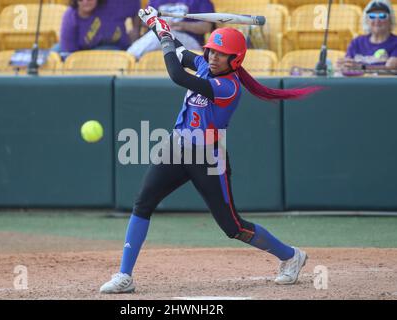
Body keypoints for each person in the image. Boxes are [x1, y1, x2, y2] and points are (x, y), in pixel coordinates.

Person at [100, 6, 322, 294]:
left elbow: (178, 75)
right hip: (176, 147)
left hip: (207, 158)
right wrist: (156, 24)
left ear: (235, 59)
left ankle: (291, 256)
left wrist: (164, 36)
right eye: (210, 52)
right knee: (143, 203)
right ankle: (124, 275)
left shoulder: (228, 86)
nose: (212, 57)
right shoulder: (207, 65)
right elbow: (179, 53)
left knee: (233, 227)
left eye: (219, 54)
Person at [127, 0, 214, 60]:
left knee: (160, 34)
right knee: (160, 33)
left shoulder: (200, 1)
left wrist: (181, 25)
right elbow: (144, 20)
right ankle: (128, 59)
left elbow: (207, 26)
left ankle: (129, 57)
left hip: (189, 40)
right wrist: (158, 22)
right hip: (161, 39)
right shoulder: (155, 1)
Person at [53, 0, 141, 58]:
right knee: (55, 53)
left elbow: (136, 8)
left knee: (106, 49)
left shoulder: (114, 4)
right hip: (80, 53)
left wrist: (136, 30)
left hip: (114, 48)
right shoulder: (70, 16)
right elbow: (69, 54)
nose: (86, 1)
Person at [338, 0, 397, 75]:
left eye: (382, 16)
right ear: (367, 20)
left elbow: (390, 68)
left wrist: (361, 67)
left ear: (390, 20)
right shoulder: (356, 42)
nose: (377, 20)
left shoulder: (395, 43)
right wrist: (343, 65)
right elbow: (348, 67)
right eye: (372, 16)